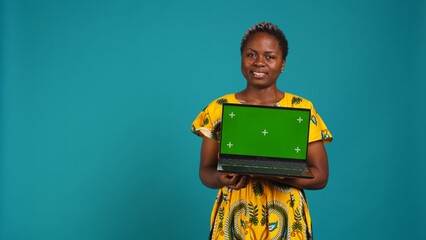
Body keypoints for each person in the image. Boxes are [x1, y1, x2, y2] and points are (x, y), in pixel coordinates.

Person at [191, 22, 333, 240]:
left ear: (283, 63)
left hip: (286, 213)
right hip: (234, 212)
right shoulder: (218, 108)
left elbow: (321, 177)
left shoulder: (301, 108)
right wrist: (222, 179)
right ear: (241, 58)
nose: (259, 62)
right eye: (251, 54)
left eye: (270, 56)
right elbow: (205, 171)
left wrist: (282, 175)